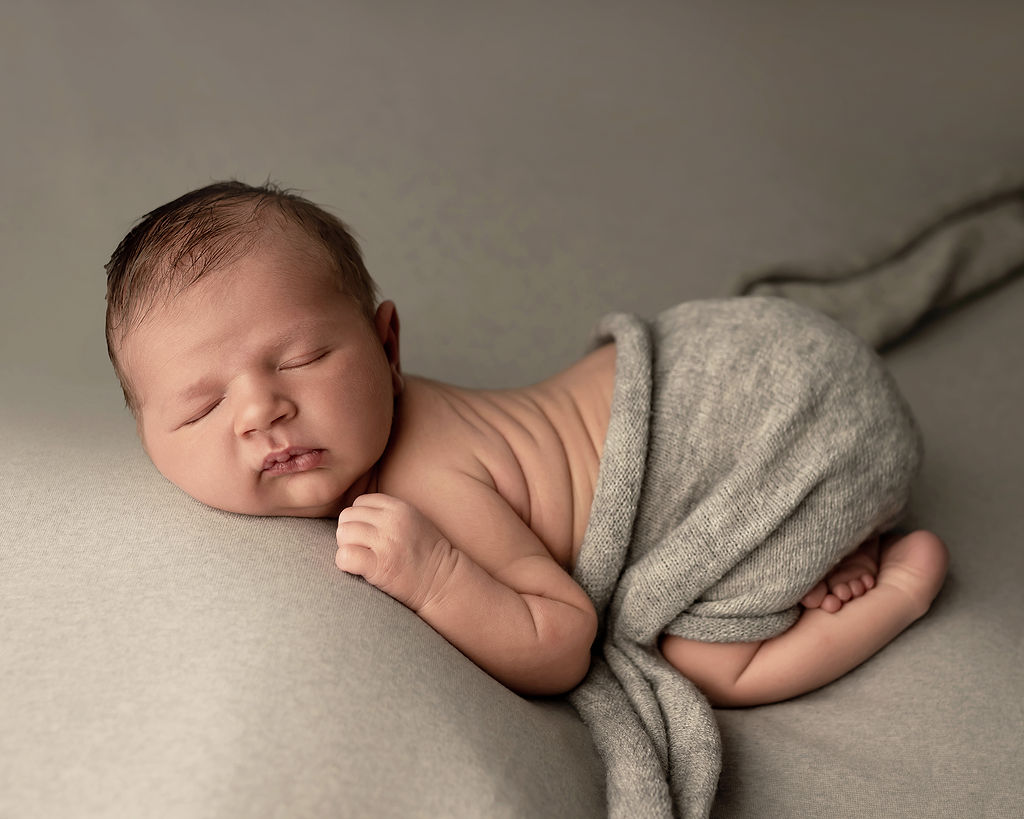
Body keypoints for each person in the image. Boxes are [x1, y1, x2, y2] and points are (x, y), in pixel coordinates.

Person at [104, 180, 949, 704]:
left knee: (707, 665)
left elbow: (562, 642)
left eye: (303, 357)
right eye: (201, 406)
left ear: (387, 347)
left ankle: (901, 584)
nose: (262, 412)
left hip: (766, 420)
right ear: (145, 436)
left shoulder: (425, 477)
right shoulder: (380, 425)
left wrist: (433, 572)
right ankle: (823, 543)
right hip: (735, 355)